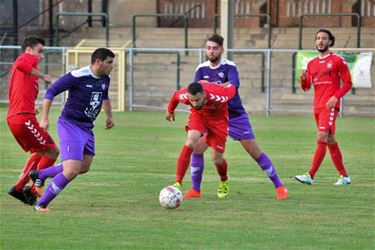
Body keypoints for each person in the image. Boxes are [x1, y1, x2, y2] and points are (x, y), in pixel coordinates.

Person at [184, 34, 288, 200]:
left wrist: (213, 88)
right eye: (209, 48)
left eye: (215, 48)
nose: (211, 51)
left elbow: (233, 86)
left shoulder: (229, 66)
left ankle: (279, 186)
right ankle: (196, 189)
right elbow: (195, 92)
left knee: (254, 151)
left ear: (222, 50)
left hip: (234, 115)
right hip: (211, 118)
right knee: (198, 149)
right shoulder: (201, 69)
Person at [30, 48, 115, 212]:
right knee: (71, 170)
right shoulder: (77, 75)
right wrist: (45, 118)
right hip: (70, 124)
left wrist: (109, 116)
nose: (112, 66)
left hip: (87, 127)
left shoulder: (105, 78)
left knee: (83, 167)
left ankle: (40, 174)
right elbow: (51, 91)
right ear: (98, 62)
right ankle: (41, 205)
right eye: (109, 62)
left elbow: (104, 96)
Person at [6, 36, 59, 205]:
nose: (42, 56)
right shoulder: (26, 59)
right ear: (29, 50)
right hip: (23, 119)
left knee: (43, 152)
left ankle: (20, 188)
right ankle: (32, 187)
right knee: (53, 151)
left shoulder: (26, 73)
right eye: (40, 51)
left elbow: (20, 91)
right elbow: (21, 63)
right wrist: (43, 76)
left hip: (18, 118)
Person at [295, 29, 352, 185]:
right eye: (318, 38)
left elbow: (348, 83)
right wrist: (303, 79)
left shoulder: (338, 60)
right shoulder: (311, 63)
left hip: (330, 105)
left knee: (321, 137)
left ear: (330, 41)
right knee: (330, 139)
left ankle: (310, 175)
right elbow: (306, 87)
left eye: (324, 38)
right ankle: (344, 176)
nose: (320, 41)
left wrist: (336, 97)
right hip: (317, 106)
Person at [166, 81, 236, 198]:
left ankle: (224, 180)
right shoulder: (186, 96)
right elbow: (175, 96)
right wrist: (170, 110)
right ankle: (178, 183)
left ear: (204, 95)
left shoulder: (220, 95)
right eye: (191, 100)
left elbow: (232, 88)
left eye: (197, 100)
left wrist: (227, 84)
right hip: (199, 117)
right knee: (190, 142)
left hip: (218, 122)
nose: (194, 103)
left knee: (217, 160)